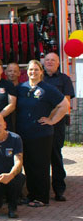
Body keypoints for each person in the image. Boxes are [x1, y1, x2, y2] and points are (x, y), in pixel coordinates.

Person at [16, 60, 69, 207]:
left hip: (41, 134)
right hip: (23, 134)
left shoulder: (48, 89)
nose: (33, 72)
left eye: (35, 70)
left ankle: (41, 198)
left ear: (41, 72)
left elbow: (64, 105)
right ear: (26, 72)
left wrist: (52, 120)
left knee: (41, 166)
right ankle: (31, 195)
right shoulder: (21, 88)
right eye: (30, 70)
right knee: (28, 165)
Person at [43, 52, 75, 201]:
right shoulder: (38, 77)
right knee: (40, 158)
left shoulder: (64, 79)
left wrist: (51, 118)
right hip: (40, 124)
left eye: (53, 60)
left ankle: (59, 189)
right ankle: (41, 190)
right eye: (47, 60)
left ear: (58, 63)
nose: (49, 62)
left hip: (57, 123)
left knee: (55, 156)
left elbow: (66, 102)